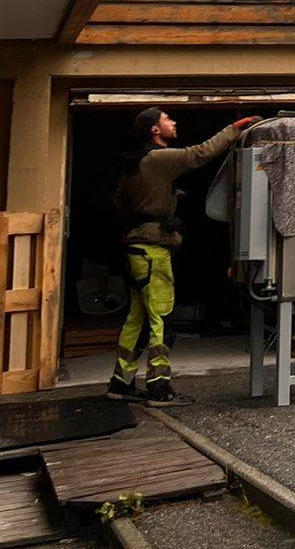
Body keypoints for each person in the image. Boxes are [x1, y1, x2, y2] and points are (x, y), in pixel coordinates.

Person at [109, 106, 257, 404]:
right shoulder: (158, 159)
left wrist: (164, 200)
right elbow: (198, 154)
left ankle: (120, 383)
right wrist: (235, 128)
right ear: (154, 130)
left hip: (135, 249)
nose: (173, 122)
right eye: (167, 119)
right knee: (160, 318)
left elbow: (120, 204)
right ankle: (159, 387)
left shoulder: (133, 165)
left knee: (136, 318)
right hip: (153, 252)